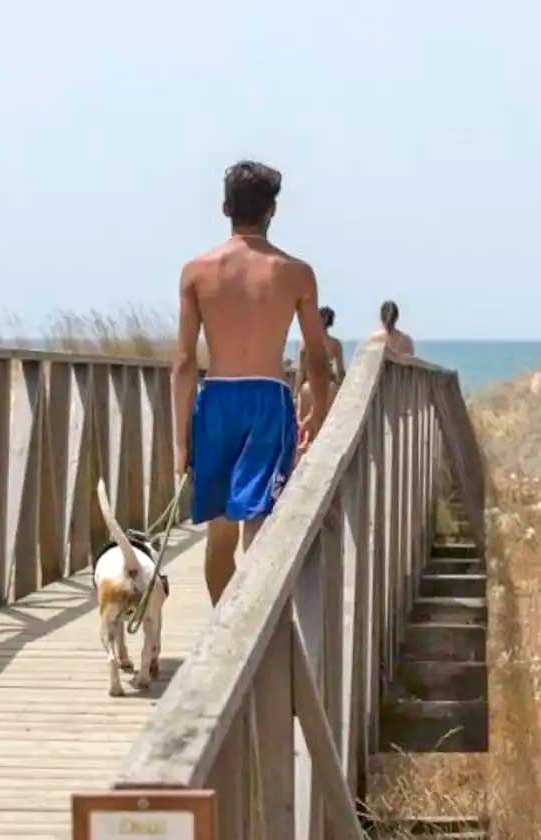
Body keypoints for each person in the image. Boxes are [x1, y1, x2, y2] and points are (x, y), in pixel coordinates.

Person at [173, 160, 331, 606]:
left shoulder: (196, 272)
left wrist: (180, 439)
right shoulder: (296, 273)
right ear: (272, 211)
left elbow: (184, 361)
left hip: (217, 398)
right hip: (268, 399)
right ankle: (255, 630)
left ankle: (225, 628)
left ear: (225, 207)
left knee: (219, 533)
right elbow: (316, 357)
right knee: (259, 524)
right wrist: (318, 414)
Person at [295, 306, 345, 421]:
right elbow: (341, 373)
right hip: (328, 386)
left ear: (323, 319)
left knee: (303, 423)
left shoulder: (306, 342)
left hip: (309, 386)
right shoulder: (335, 344)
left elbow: (301, 371)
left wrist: (295, 395)